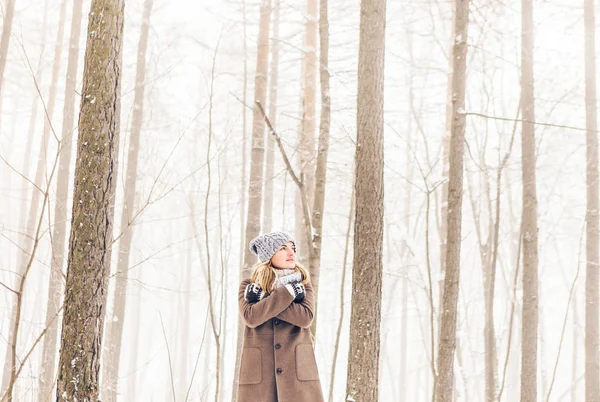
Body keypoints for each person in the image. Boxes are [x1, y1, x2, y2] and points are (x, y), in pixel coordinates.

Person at [236, 231, 324, 402]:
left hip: (297, 376)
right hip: (260, 377)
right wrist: (289, 294)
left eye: (293, 248)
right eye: (283, 248)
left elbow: (305, 317)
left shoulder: (303, 284)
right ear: (269, 255)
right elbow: (251, 317)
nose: (291, 253)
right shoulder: (248, 286)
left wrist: (265, 299)